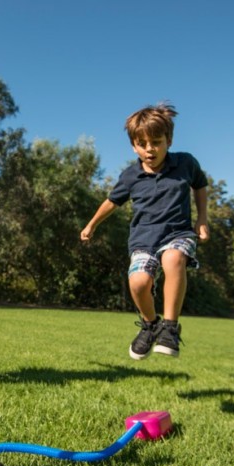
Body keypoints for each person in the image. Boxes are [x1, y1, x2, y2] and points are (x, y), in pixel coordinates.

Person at [80, 103, 209, 359]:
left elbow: (201, 186)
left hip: (178, 233)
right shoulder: (130, 176)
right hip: (143, 240)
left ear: (168, 141)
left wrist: (202, 219)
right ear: (133, 146)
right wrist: (92, 224)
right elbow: (111, 202)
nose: (150, 149)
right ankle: (150, 325)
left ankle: (170, 328)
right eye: (142, 143)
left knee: (173, 258)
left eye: (156, 142)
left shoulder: (185, 163)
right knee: (138, 283)